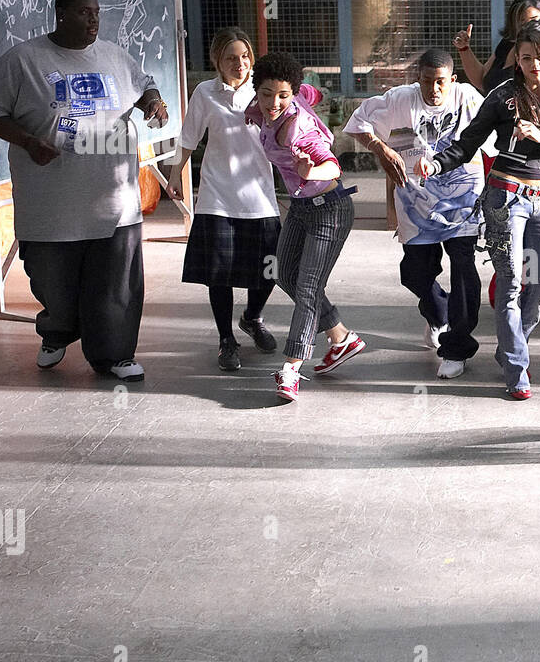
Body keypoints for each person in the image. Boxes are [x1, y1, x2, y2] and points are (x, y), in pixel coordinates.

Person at [0, 0, 167, 381]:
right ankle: (57, 330)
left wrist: (153, 102)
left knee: (116, 283)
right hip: (51, 201)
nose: (93, 20)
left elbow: (145, 84)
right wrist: (28, 141)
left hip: (113, 199)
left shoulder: (114, 55)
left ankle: (115, 355)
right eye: (83, 12)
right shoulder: (23, 59)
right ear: (60, 14)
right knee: (53, 284)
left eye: (96, 12)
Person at [418, 20, 540, 399]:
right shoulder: (504, 96)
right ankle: (517, 370)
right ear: (517, 59)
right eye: (527, 58)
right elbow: (467, 143)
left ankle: (510, 347)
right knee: (510, 284)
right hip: (506, 198)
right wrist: (436, 164)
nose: (535, 65)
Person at [344, 48, 491, 379]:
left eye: (440, 82)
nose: (434, 89)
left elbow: (496, 137)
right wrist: (380, 148)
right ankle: (438, 313)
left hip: (463, 205)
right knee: (414, 274)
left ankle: (456, 348)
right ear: (418, 79)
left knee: (464, 270)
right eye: (427, 81)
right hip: (416, 207)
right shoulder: (399, 99)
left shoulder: (468, 98)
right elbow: (357, 123)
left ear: (453, 80)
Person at [245, 52, 364, 401]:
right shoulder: (286, 99)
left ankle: (291, 368)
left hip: (330, 209)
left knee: (308, 287)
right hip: (300, 208)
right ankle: (341, 337)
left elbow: (333, 167)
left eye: (283, 96)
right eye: (267, 94)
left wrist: (310, 170)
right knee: (284, 274)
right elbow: (315, 93)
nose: (274, 103)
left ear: (291, 94)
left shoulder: (301, 131)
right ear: (258, 89)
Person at [167, 26, 280, 372]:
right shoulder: (205, 92)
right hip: (217, 195)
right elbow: (188, 137)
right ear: (217, 60)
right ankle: (226, 339)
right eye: (231, 58)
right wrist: (174, 174)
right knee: (219, 274)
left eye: (245, 56)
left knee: (270, 269)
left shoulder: (264, 91)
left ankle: (252, 317)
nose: (240, 63)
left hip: (260, 196)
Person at [453, 0, 540, 95]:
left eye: (535, 20)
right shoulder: (507, 44)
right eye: (522, 22)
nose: (529, 26)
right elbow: (481, 80)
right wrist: (464, 49)